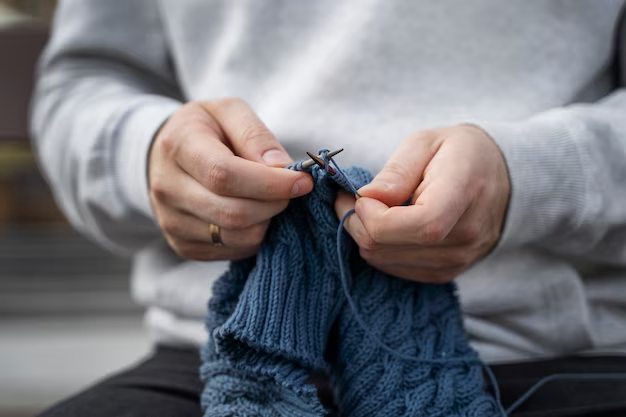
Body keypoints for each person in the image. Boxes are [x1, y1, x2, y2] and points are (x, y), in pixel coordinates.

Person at [31, 0, 626, 416]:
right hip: (196, 359)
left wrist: (535, 178)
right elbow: (84, 82)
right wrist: (146, 153)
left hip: (558, 356)